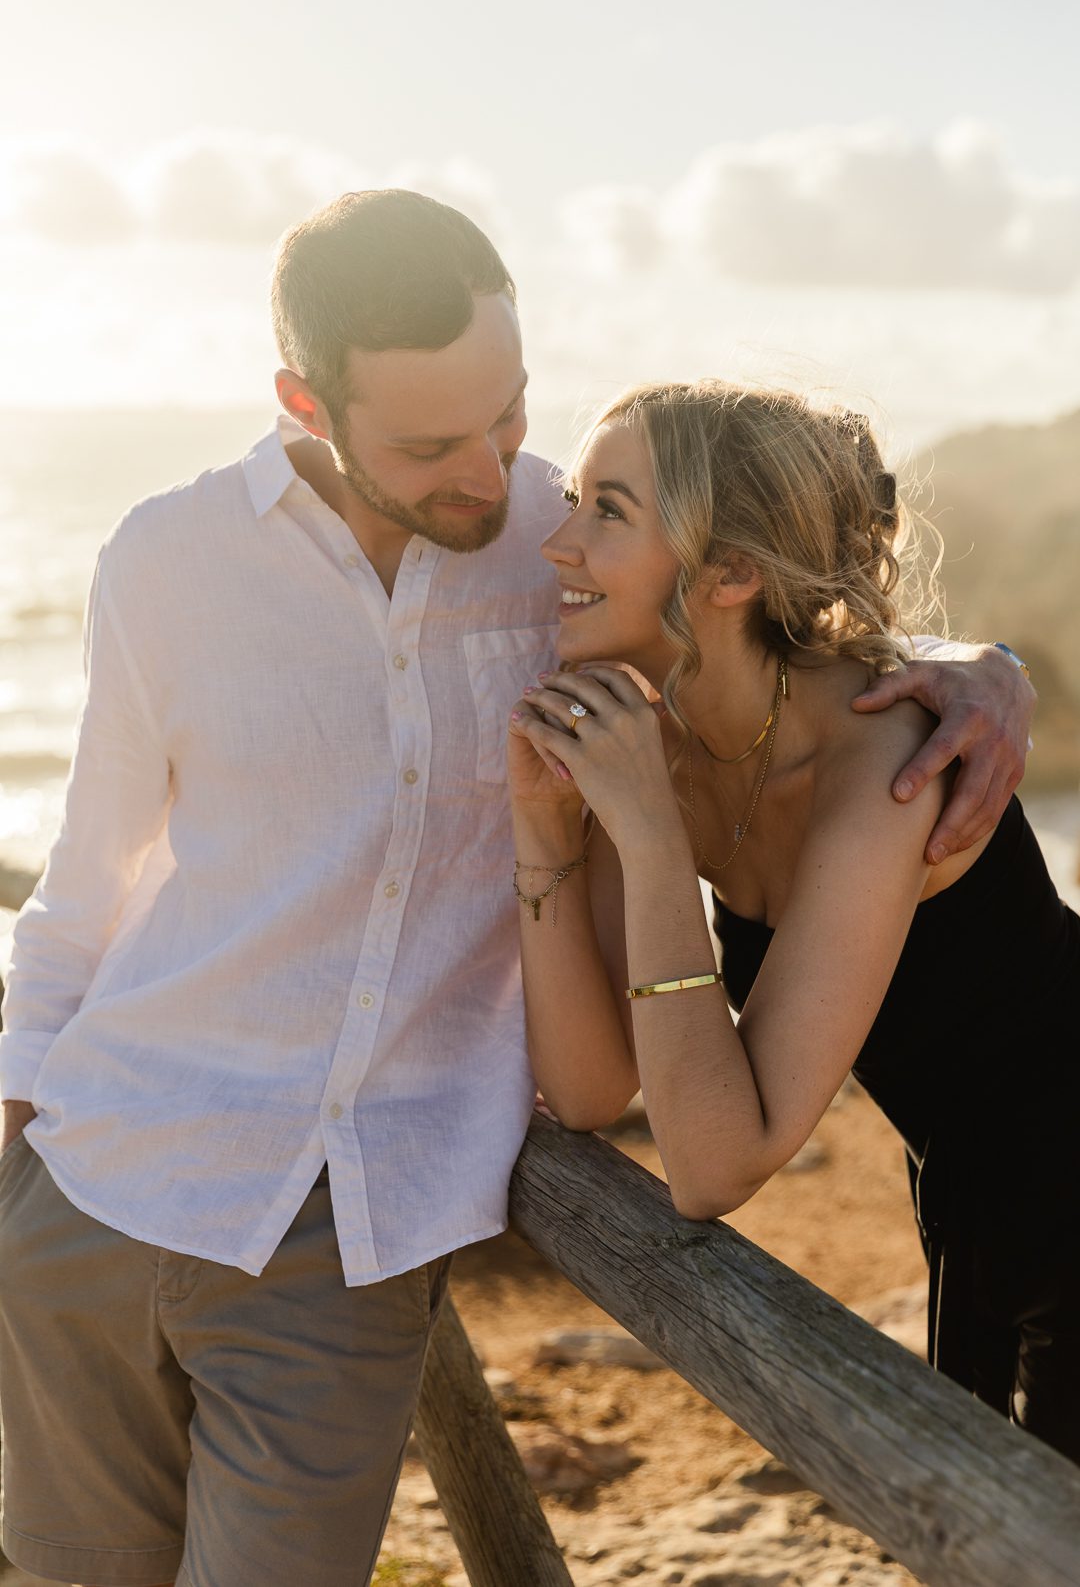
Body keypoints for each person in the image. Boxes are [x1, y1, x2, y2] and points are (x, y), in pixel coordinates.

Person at [0, 197, 1035, 1587]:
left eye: (512, 414)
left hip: (352, 1236)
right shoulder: (168, 557)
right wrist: (16, 1130)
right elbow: (87, 878)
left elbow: (775, 586)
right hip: (100, 1181)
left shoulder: (567, 551)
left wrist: (988, 666)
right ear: (308, 403)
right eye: (431, 445)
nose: (498, 482)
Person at [507, 378, 1078, 1464]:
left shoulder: (885, 764)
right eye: (574, 500)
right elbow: (586, 1088)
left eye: (608, 511)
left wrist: (651, 842)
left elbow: (716, 1166)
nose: (559, 543)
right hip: (975, 1187)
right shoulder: (654, 740)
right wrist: (546, 826)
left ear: (730, 574)